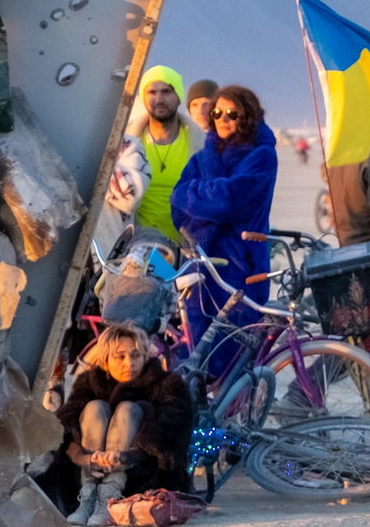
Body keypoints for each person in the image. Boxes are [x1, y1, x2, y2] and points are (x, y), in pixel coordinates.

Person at [41, 323, 196, 524]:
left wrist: (126, 457)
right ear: (105, 359)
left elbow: (170, 437)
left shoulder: (167, 385)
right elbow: (65, 431)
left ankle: (109, 497)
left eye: (135, 355)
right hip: (85, 477)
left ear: (145, 356)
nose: (129, 363)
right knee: (95, 407)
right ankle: (87, 499)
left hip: (142, 477)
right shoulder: (89, 383)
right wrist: (86, 459)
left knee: (128, 409)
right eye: (120, 357)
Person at [170, 84, 278, 342]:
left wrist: (197, 195)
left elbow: (229, 201)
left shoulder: (262, 155)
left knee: (237, 347)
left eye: (232, 113)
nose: (223, 119)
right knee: (198, 347)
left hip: (243, 264)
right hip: (201, 261)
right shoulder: (203, 156)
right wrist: (210, 199)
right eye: (217, 113)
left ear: (248, 117)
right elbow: (176, 200)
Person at [113, 65, 201, 247]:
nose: (159, 99)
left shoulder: (201, 144)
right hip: (133, 248)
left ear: (179, 96)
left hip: (185, 251)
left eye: (166, 91)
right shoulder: (124, 144)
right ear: (143, 98)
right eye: (151, 92)